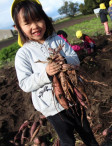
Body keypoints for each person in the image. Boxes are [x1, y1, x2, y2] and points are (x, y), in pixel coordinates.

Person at [11, 0, 98, 145]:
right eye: (27, 23)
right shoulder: (23, 54)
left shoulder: (57, 40)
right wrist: (46, 74)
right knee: (67, 140)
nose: (35, 26)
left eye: (38, 19)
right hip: (52, 108)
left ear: (45, 18)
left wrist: (64, 60)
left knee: (87, 134)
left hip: (74, 99)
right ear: (18, 27)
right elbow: (25, 84)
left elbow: (75, 60)